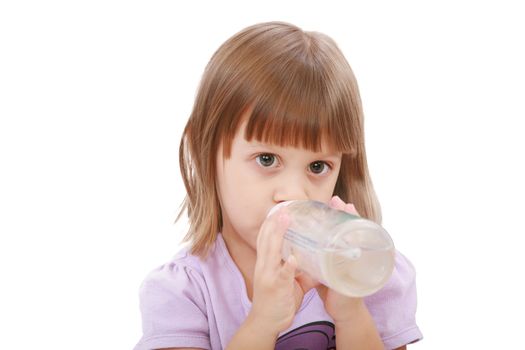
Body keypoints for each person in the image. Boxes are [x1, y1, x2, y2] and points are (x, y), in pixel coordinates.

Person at [133, 21, 423, 350]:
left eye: (318, 166)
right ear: (206, 153)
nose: (294, 193)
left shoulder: (368, 271)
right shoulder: (183, 293)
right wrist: (263, 322)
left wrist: (352, 314)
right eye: (267, 159)